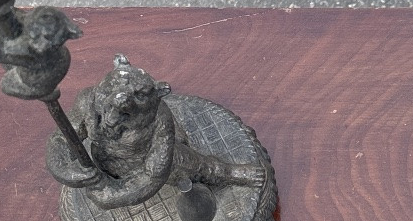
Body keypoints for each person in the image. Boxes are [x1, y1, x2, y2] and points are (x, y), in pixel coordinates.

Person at [46, 55, 265, 211]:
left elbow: (151, 178)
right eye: (115, 89)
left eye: (137, 95)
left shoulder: (159, 120)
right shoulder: (87, 101)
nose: (121, 98)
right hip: (106, 162)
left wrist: (112, 195)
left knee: (190, 162)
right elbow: (61, 139)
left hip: (148, 163)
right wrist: (65, 170)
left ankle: (227, 172)